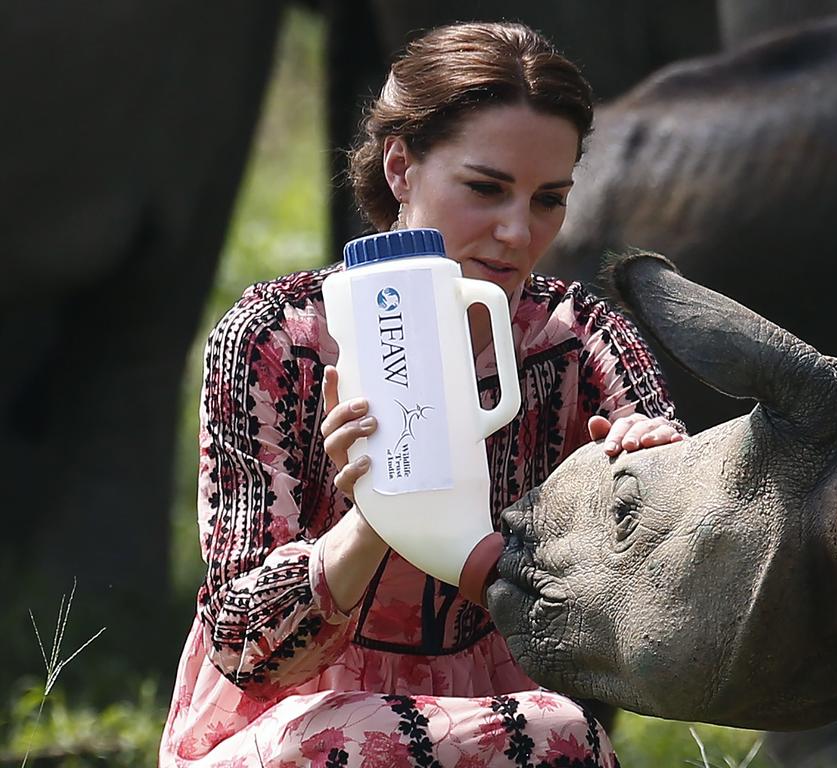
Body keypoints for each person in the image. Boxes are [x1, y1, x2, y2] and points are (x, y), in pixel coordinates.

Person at [161, 21, 684, 767]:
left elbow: (674, 562)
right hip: (292, 730)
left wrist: (650, 477)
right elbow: (245, 646)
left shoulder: (580, 336)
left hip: (507, 726)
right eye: (485, 188)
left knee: (561, 733)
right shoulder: (274, 339)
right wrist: (379, 516)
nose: (516, 231)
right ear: (401, 167)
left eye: (549, 200)